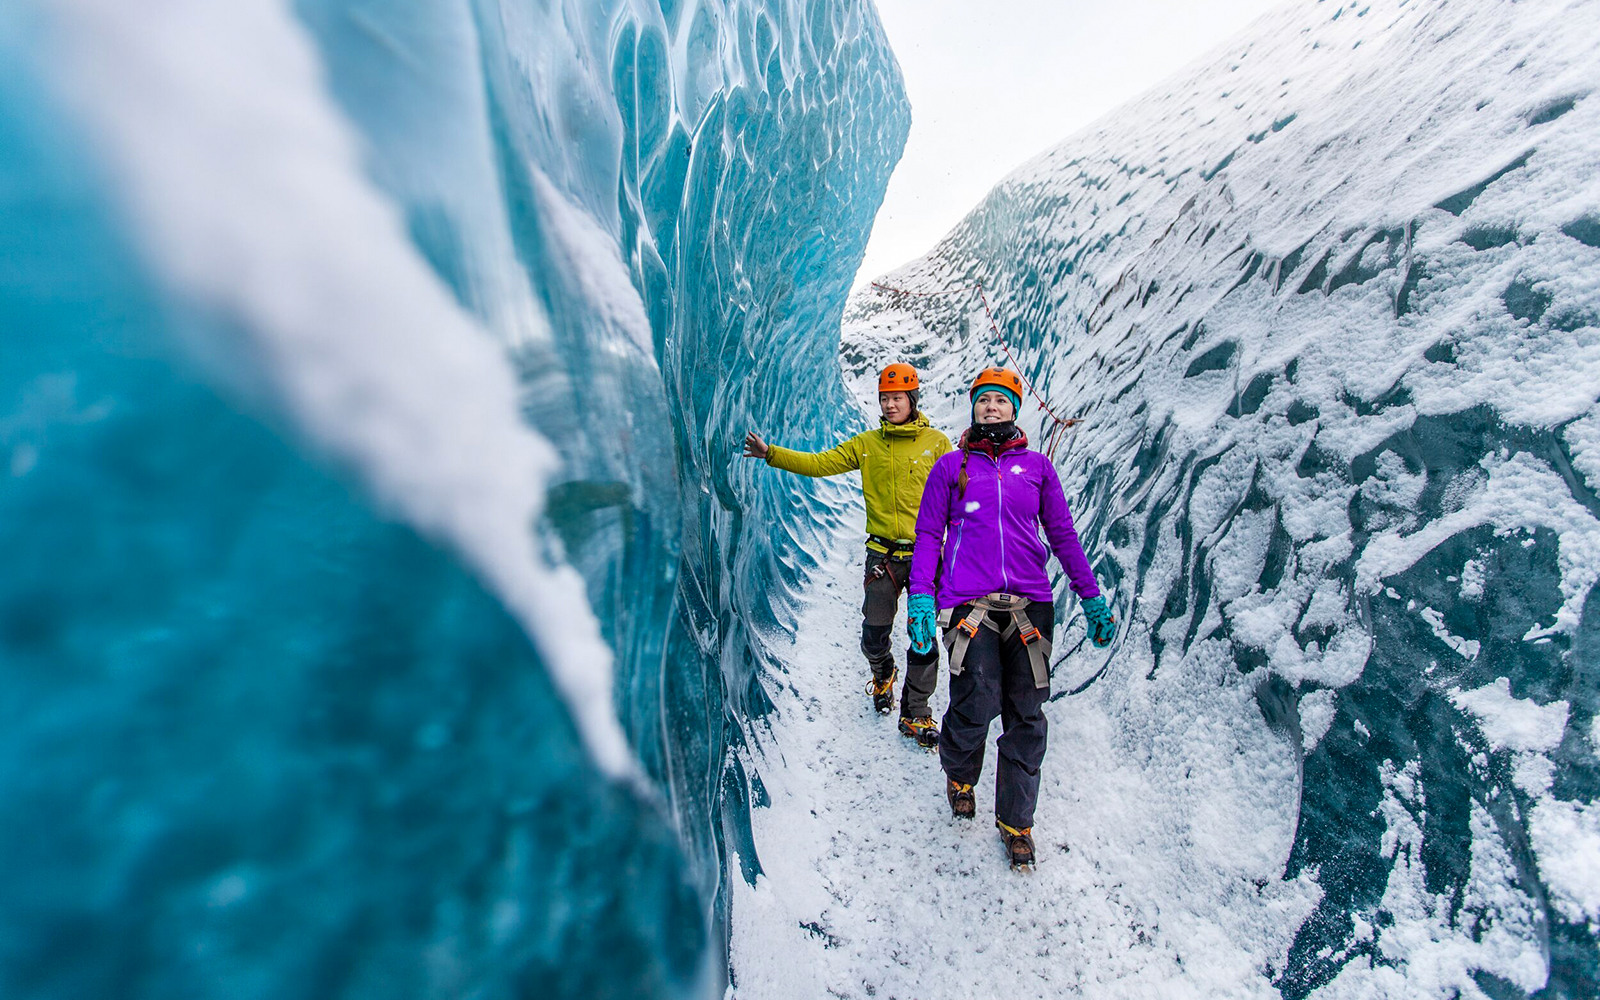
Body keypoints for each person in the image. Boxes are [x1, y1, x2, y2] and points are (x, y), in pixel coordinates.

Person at [904, 367, 1116, 869]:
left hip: (1030, 607)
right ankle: (960, 774)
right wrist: (919, 597)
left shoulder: (1037, 468)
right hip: (968, 607)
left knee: (1027, 712)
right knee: (975, 698)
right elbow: (930, 535)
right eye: (983, 401)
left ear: (1015, 410)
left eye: (1000, 400)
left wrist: (1090, 597)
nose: (991, 407)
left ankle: (1017, 820)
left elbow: (1062, 534)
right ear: (973, 408)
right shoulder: (951, 468)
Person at [744, 363, 953, 744]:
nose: (890, 405)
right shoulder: (867, 444)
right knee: (873, 636)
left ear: (913, 400)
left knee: (922, 637)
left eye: (898, 398)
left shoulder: (937, 444)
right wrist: (770, 453)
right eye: (885, 398)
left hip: (926, 556)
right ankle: (883, 671)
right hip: (882, 557)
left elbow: (959, 490)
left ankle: (917, 712)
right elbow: (820, 463)